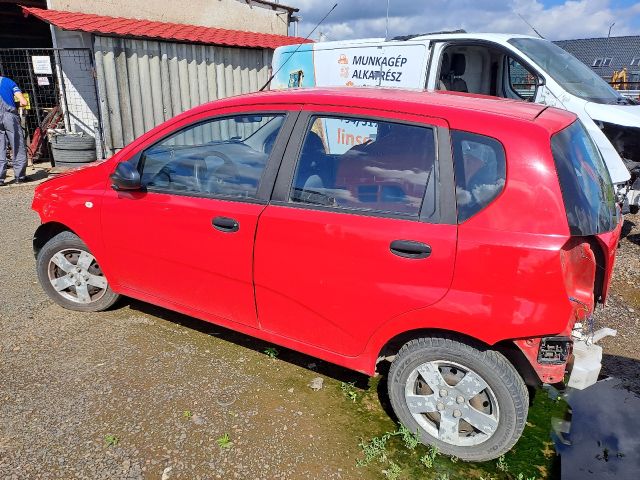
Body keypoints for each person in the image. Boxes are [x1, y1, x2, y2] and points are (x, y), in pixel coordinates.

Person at [0, 75, 29, 186]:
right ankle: (20, 176)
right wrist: (20, 102)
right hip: (9, 116)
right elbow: (23, 102)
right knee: (17, 144)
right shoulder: (8, 82)